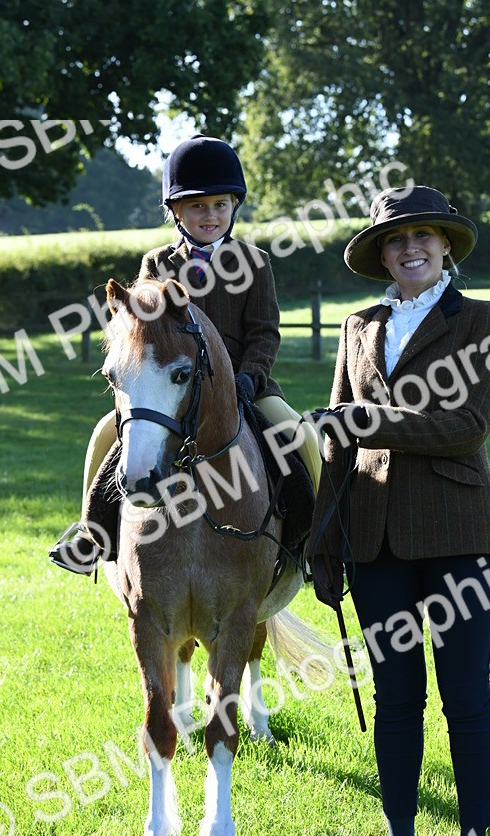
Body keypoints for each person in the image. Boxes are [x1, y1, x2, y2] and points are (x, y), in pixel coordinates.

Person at [309, 185, 490, 836]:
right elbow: (337, 446)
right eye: (396, 240)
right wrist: (321, 543)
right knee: (396, 699)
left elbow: (466, 429)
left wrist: (364, 424)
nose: (411, 248)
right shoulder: (358, 327)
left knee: (465, 694)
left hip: (462, 535)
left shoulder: (484, 321)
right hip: (374, 542)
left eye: (424, 235)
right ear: (382, 256)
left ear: (447, 245)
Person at [49, 134, 321, 573]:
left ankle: (317, 544)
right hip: (173, 390)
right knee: (104, 433)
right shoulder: (157, 264)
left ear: (235, 207)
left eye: (219, 205)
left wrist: (248, 377)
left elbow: (265, 333)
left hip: (246, 388)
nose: (209, 215)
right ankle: (91, 537)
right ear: (176, 211)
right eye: (197, 206)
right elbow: (141, 331)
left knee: (300, 435)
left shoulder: (255, 261)